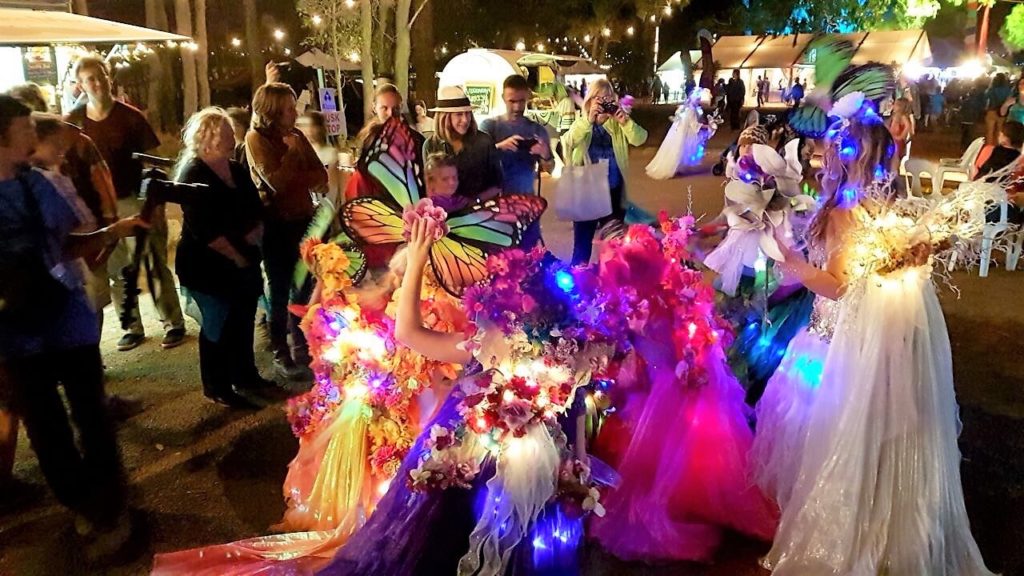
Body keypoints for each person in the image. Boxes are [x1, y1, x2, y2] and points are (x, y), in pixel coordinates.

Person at [756, 102, 995, 576]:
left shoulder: (846, 210)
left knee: (838, 439)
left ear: (847, 155)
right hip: (878, 345)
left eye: (830, 148)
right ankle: (891, 517)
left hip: (842, 343)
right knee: (879, 437)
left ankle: (854, 529)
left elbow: (838, 285)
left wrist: (792, 264)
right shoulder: (888, 206)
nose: (822, 155)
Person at [0, 94, 144, 561]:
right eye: (23, 128)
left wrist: (112, 232)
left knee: (92, 415)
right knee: (47, 428)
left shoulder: (37, 185)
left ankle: (109, 507)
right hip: (16, 333)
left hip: (65, 320)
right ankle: (82, 503)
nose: (32, 135)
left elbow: (69, 244)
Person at [66, 55, 187, 352]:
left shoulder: (131, 118)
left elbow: (154, 161)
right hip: (99, 209)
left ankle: (173, 322)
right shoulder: (73, 122)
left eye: (101, 76)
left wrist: (153, 202)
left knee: (152, 261)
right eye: (90, 79)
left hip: (133, 199)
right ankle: (130, 325)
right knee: (117, 268)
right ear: (80, 85)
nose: (97, 83)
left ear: (109, 78)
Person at [174, 108, 271, 408]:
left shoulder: (236, 169)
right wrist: (237, 255)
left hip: (244, 257)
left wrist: (256, 233)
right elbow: (203, 228)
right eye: (226, 133)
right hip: (209, 265)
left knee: (242, 319)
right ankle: (218, 385)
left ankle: (245, 374)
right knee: (217, 325)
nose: (233, 137)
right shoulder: (193, 174)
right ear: (209, 137)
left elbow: (255, 207)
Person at [245, 82, 328, 380]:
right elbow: (275, 184)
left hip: (302, 220)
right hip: (276, 224)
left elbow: (321, 175)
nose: (295, 113)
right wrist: (293, 158)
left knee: (304, 287)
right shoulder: (255, 140)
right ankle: (281, 349)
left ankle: (303, 345)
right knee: (279, 290)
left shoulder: (296, 137)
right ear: (273, 111)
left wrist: (299, 174)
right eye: (289, 108)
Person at [562, 78, 648, 265]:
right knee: (582, 245)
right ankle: (579, 284)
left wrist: (625, 121)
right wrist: (588, 120)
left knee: (613, 247)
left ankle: (609, 285)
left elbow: (640, 139)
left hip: (613, 191)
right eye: (599, 99)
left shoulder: (617, 124)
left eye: (608, 99)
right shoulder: (582, 122)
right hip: (587, 193)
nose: (604, 104)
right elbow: (568, 141)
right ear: (590, 101)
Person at [480, 74, 554, 247]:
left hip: (527, 204)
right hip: (495, 204)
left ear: (528, 96)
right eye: (511, 101)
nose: (517, 106)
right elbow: (477, 161)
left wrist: (545, 154)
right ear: (503, 98)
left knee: (528, 256)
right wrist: (499, 147)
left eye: (521, 101)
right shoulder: (490, 126)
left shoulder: (536, 129)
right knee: (499, 259)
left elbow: (550, 168)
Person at [422, 85, 503, 201]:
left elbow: (497, 184)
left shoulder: (484, 142)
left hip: (478, 213)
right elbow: (430, 188)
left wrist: (474, 201)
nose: (465, 120)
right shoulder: (430, 145)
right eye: (459, 114)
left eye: (468, 113)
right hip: (445, 215)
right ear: (444, 117)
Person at [646, 88, 710, 179]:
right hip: (682, 133)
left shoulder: (685, 107)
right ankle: (670, 168)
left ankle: (674, 167)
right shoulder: (691, 110)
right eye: (698, 99)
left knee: (674, 149)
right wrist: (707, 126)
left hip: (677, 131)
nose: (699, 101)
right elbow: (694, 124)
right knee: (678, 149)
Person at [297, 110, 341, 206]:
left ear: (318, 128)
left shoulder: (330, 154)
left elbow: (332, 186)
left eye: (307, 125)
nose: (302, 129)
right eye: (300, 125)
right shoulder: (300, 153)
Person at [984, 73, 1011, 146]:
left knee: (990, 131)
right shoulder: (1007, 89)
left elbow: (986, 97)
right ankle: (997, 147)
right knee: (999, 131)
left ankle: (988, 148)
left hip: (992, 111)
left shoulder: (991, 89)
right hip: (1002, 112)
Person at [887, 97, 914, 162]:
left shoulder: (903, 117)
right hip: (892, 141)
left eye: (895, 104)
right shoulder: (894, 116)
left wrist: (900, 137)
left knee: (895, 160)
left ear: (900, 107)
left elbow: (908, 126)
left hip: (897, 142)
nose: (893, 106)